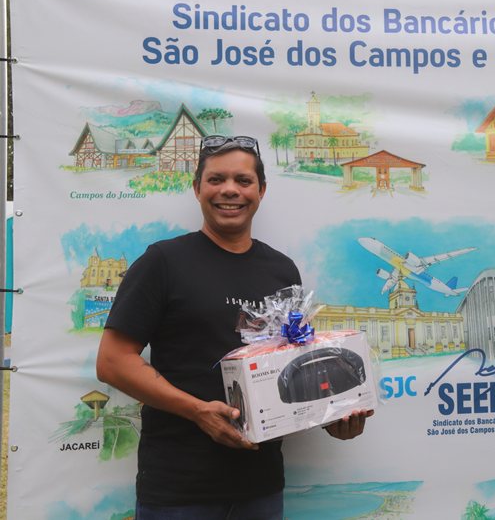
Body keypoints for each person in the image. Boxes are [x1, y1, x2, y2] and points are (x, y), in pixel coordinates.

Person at [96, 135, 373, 520]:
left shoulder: (282, 270)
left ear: (261, 190)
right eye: (216, 179)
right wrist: (198, 412)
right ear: (197, 188)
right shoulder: (163, 261)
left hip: (261, 488)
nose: (230, 190)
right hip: (179, 491)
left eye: (243, 180)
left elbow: (297, 366)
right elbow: (112, 362)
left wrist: (332, 417)